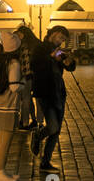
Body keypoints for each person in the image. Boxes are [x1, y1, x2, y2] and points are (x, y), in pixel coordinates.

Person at [30, 25, 75, 171]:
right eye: (61, 38)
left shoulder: (59, 50)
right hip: (44, 91)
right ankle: (38, 135)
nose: (61, 42)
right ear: (54, 33)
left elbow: (70, 67)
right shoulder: (39, 48)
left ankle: (45, 162)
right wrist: (50, 57)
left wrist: (70, 62)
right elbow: (34, 66)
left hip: (58, 91)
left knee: (56, 130)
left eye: (63, 40)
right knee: (53, 126)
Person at [0, 29, 22, 181]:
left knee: (2, 139)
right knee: (5, 141)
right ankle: (0, 172)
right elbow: (14, 87)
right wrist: (25, 85)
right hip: (8, 106)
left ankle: (1, 170)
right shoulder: (14, 63)